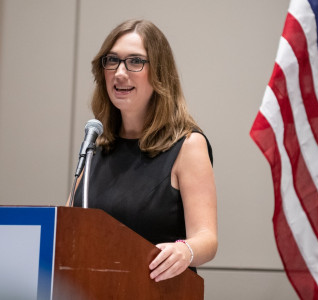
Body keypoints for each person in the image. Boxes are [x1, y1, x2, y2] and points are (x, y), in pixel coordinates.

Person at [67, 19, 217, 283]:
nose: (120, 72)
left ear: (159, 72)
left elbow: (207, 239)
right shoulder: (96, 147)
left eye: (135, 61)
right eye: (112, 60)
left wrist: (185, 250)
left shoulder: (188, 146)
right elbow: (66, 228)